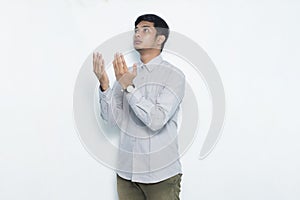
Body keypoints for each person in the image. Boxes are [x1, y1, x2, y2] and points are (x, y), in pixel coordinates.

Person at [93, 14, 185, 200]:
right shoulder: (126, 75)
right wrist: (104, 85)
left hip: (161, 176)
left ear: (160, 38)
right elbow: (111, 119)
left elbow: (156, 120)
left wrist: (129, 88)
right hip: (126, 175)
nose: (137, 34)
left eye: (145, 30)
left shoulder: (173, 76)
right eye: (136, 30)